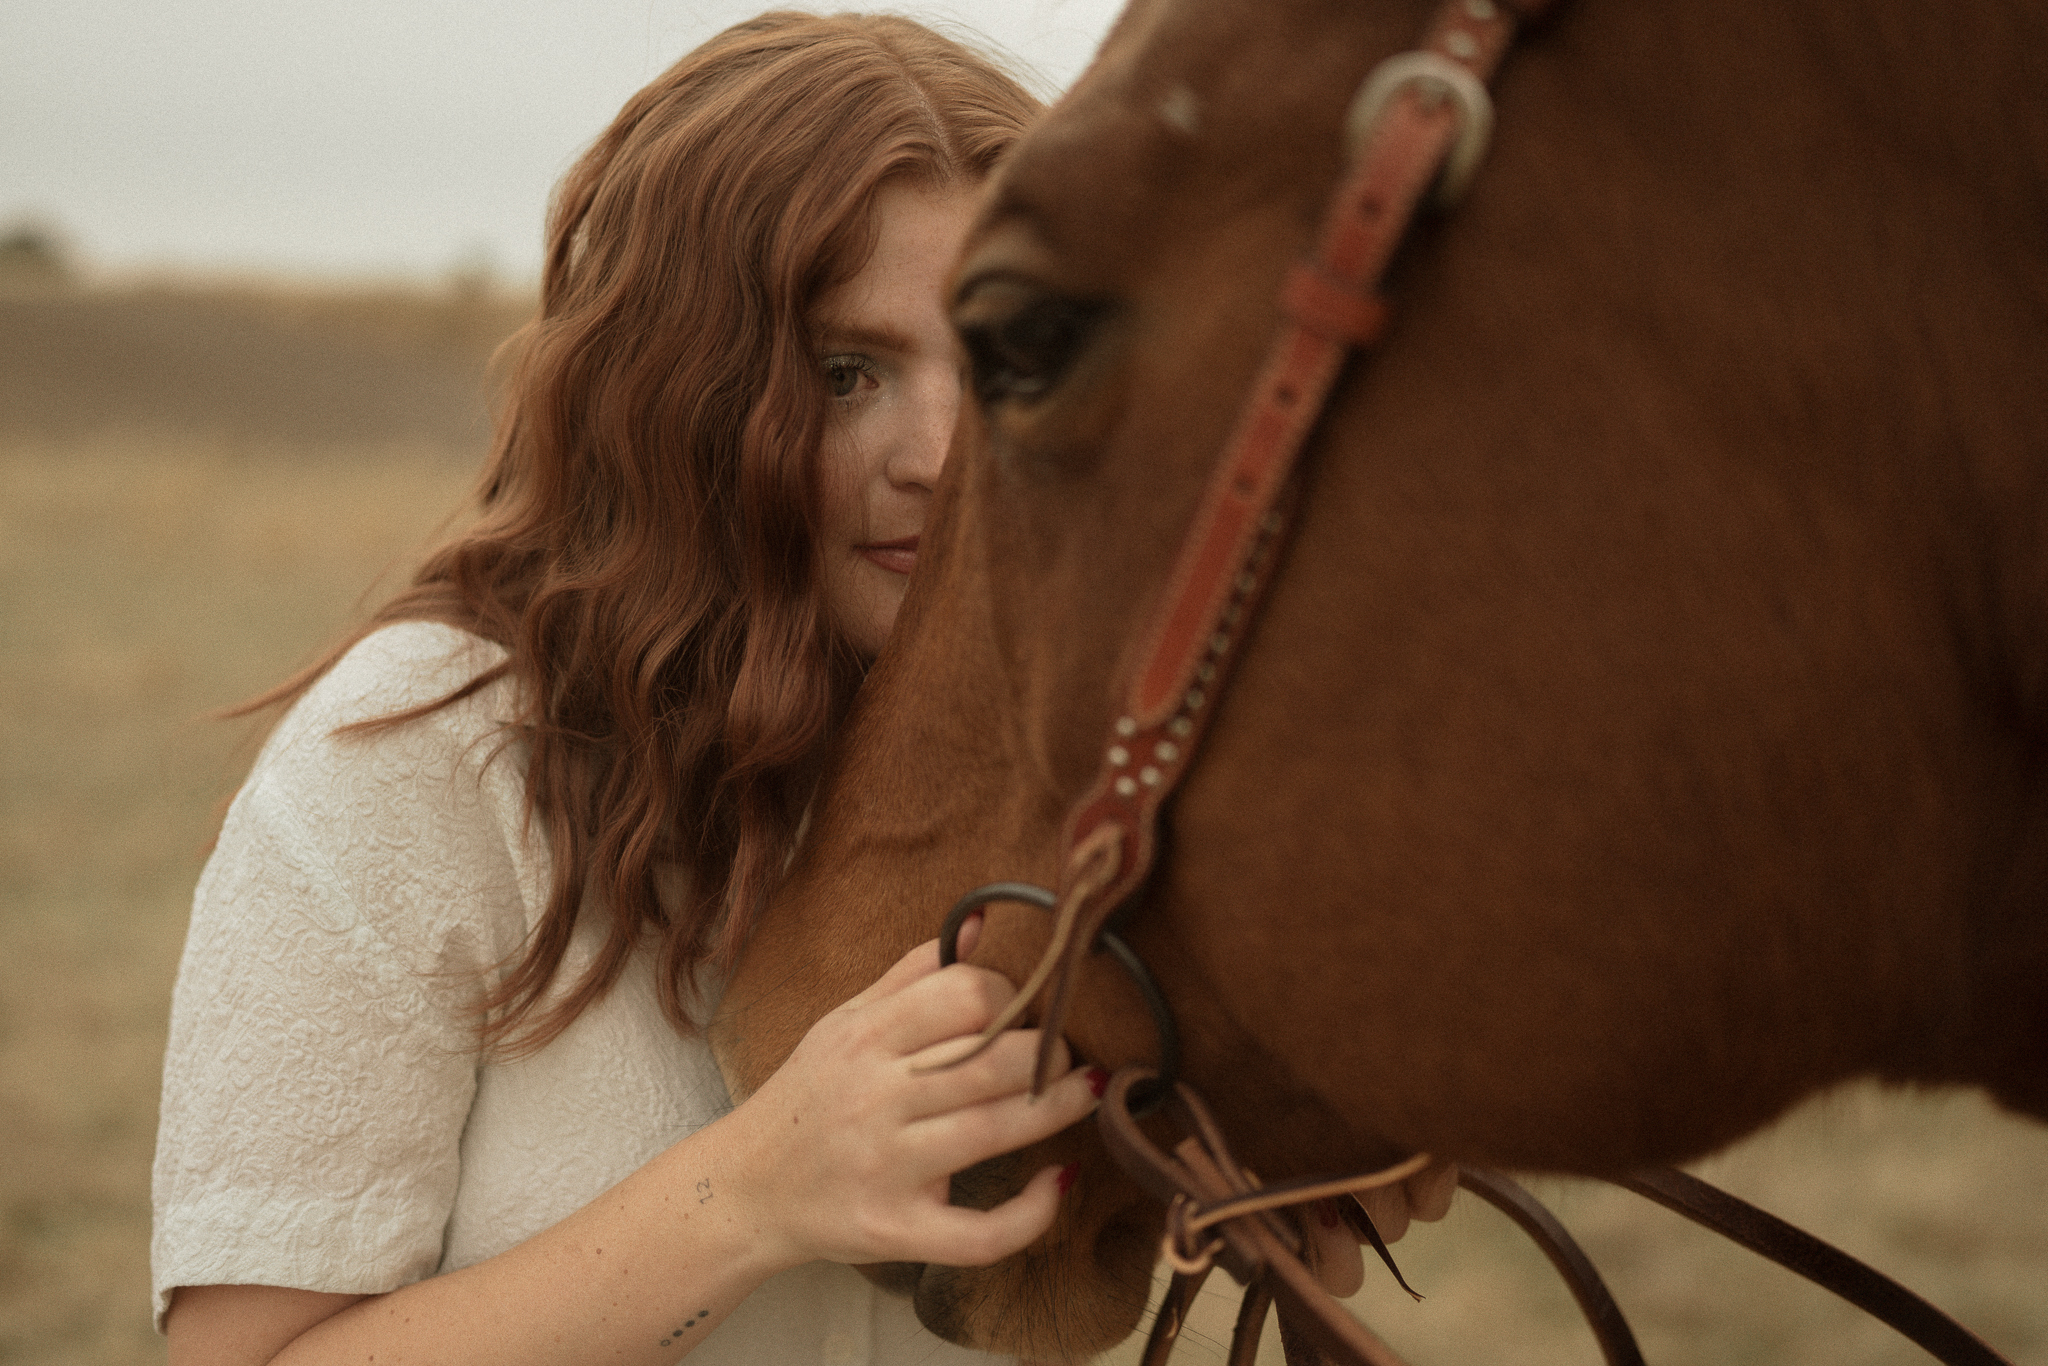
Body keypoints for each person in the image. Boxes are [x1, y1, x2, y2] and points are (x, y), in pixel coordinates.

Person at [150, 14, 1104, 1365]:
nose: (943, 456)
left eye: (994, 362)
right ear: (680, 396)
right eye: (846, 373)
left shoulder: (1054, 762)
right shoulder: (418, 758)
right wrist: (752, 1192)